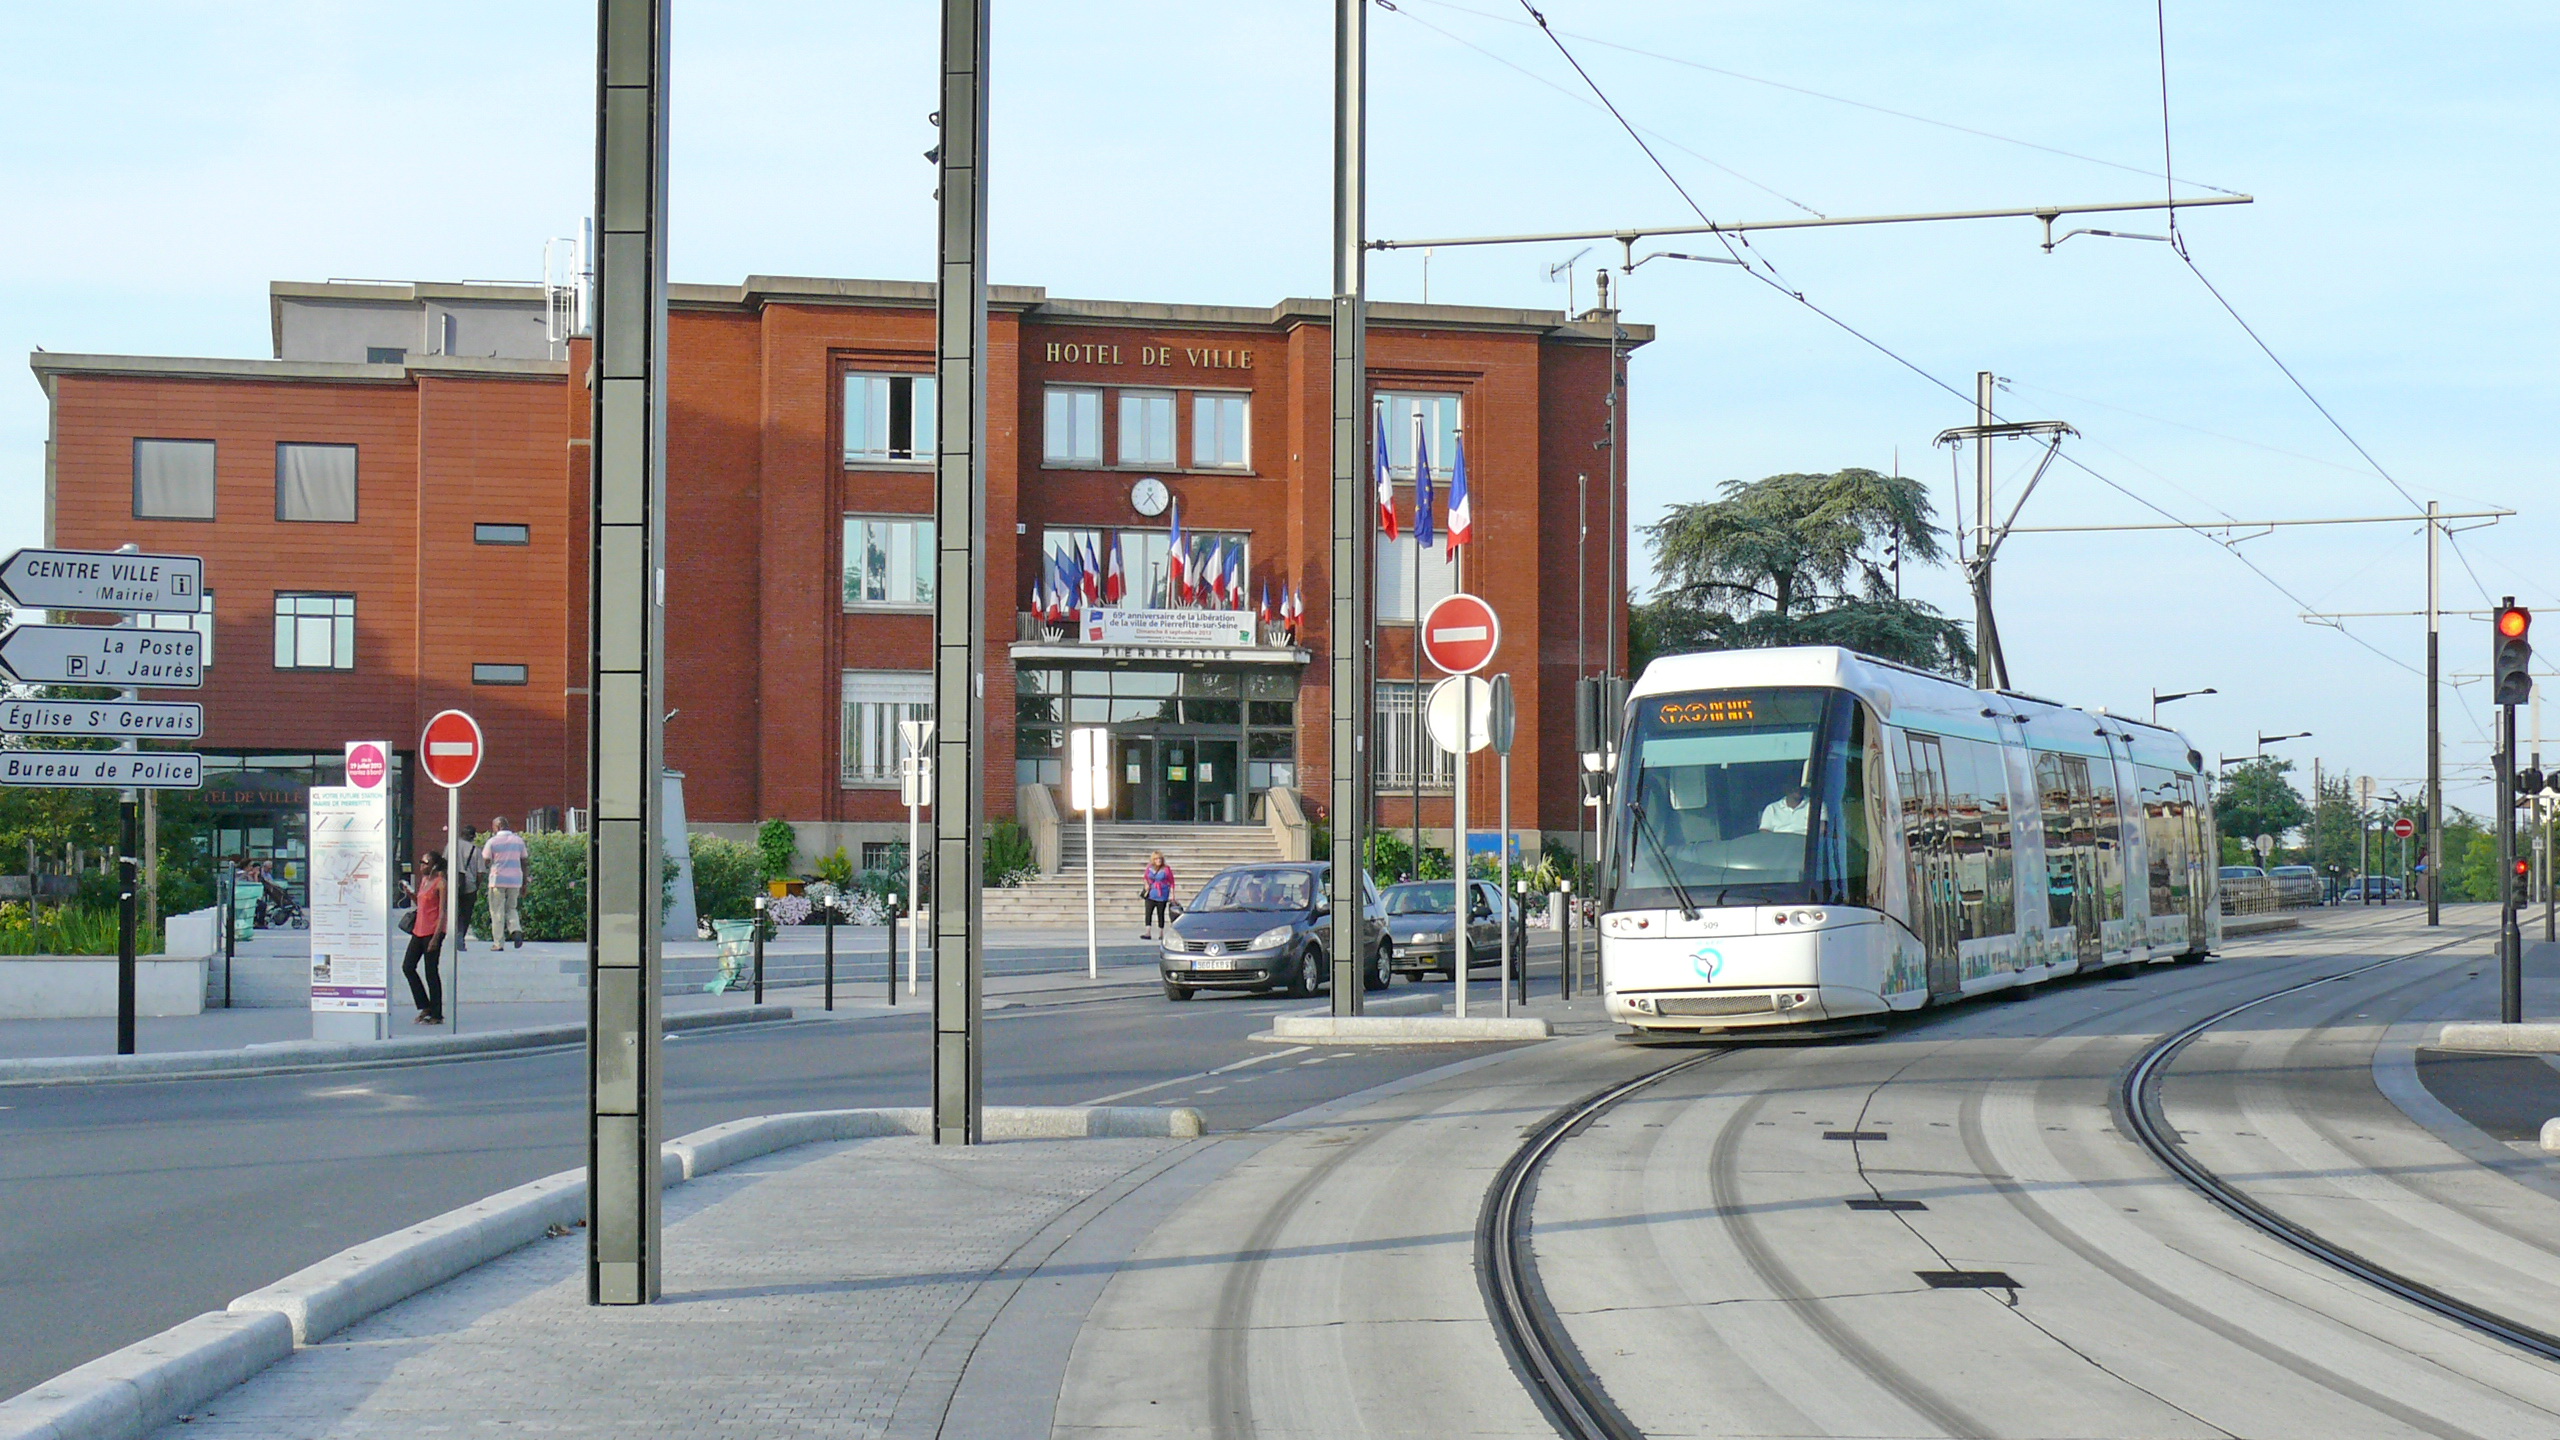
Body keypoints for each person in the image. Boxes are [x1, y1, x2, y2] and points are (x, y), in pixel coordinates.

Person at [401, 851, 447, 1025]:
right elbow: (420, 903)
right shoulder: (424, 881)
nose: (421, 866)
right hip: (419, 929)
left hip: (433, 931)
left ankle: (437, 1013)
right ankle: (424, 1005)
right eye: (421, 862)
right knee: (408, 966)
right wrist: (410, 894)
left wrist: (436, 937)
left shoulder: (440, 883)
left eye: (425, 863)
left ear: (434, 865)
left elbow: (442, 911)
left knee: (431, 972)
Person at [482, 817, 528, 948]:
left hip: (497, 880)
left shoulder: (492, 842)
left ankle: (498, 943)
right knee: (511, 908)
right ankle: (516, 929)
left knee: (497, 912)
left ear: (497, 826)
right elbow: (524, 861)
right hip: (515, 880)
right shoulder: (519, 841)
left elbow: (485, 859)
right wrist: (525, 883)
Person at [454, 824, 484, 952]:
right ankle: (460, 937)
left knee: (453, 913)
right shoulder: (475, 850)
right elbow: (480, 872)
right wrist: (477, 885)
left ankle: (452, 935)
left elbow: (443, 864)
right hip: (469, 886)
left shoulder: (451, 846)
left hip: (453, 885)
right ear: (473, 836)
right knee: (465, 914)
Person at [1140, 851, 1175, 939]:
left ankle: (1161, 933)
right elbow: (1145, 877)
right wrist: (1146, 884)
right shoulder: (1149, 868)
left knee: (1161, 914)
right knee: (1148, 913)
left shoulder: (1166, 869)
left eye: (1160, 859)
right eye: (1156, 859)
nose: (1158, 860)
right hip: (1151, 893)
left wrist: (1172, 895)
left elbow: (1172, 882)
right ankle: (1148, 932)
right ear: (1153, 860)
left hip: (1162, 894)